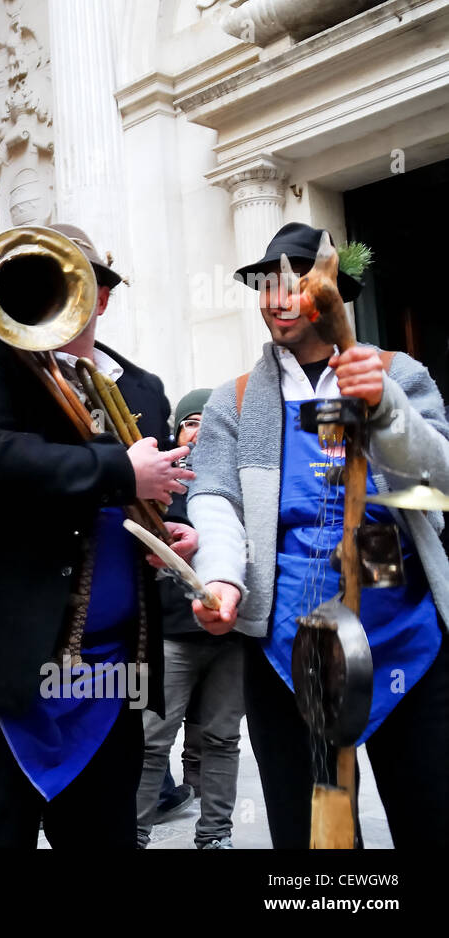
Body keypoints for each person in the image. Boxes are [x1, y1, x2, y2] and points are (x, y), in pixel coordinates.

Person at [0, 223, 197, 848]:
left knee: (104, 839)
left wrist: (170, 532)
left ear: (102, 297)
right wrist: (121, 469)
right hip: (4, 659)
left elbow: (160, 490)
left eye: (70, 283)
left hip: (110, 673)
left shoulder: (142, 386)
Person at [190, 221, 449, 849]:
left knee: (434, 816)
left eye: (294, 282)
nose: (276, 298)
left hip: (403, 637)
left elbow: (437, 485)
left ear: (331, 291)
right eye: (264, 284)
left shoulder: (399, 372)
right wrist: (222, 577)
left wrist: (387, 409)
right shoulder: (236, 399)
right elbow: (215, 497)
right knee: (318, 841)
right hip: (291, 646)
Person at [135, 388, 246, 849]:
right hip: (173, 635)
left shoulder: (241, 485)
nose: (198, 432)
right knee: (150, 740)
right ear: (176, 433)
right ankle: (133, 832)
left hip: (231, 637)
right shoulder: (163, 487)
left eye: (207, 423)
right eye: (190, 422)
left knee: (221, 738)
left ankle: (215, 835)